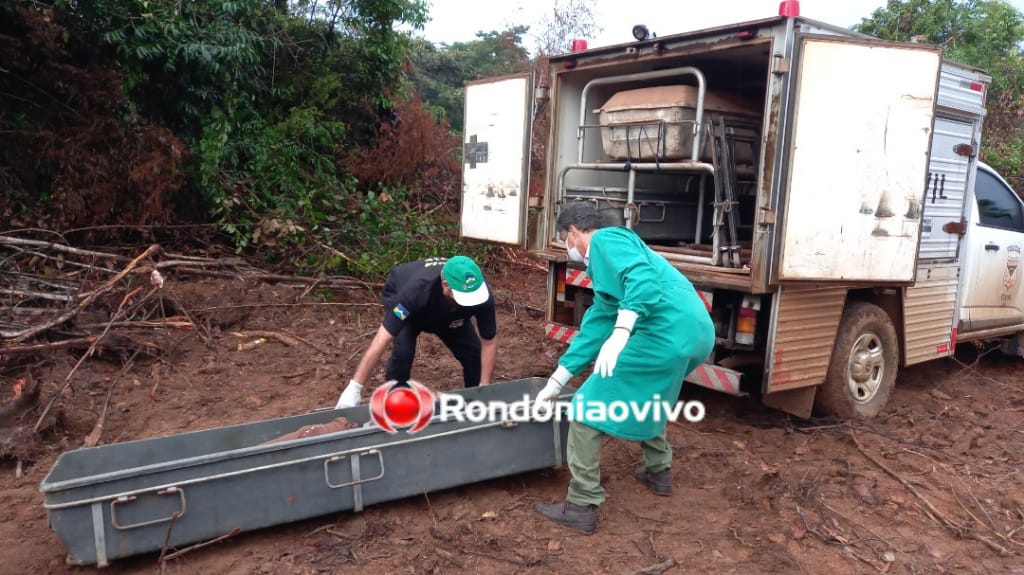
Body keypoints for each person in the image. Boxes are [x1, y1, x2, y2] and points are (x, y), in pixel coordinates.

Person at [532, 201, 716, 534]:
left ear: (573, 232)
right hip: (696, 333)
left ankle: (581, 503)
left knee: (586, 410)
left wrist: (621, 332)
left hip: (665, 333)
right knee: (647, 391)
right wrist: (556, 380)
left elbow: (642, 281)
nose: (566, 247)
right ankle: (658, 471)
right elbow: (596, 325)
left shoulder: (606, 241)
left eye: (564, 239)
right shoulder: (604, 271)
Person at [334, 255, 497, 408]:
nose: (471, 302)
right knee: (403, 352)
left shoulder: (479, 293)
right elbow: (381, 339)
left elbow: (488, 342)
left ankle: (473, 402)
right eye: (465, 297)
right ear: (446, 285)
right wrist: (355, 387)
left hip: (451, 313)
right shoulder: (416, 291)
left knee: (474, 355)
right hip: (410, 305)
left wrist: (484, 387)